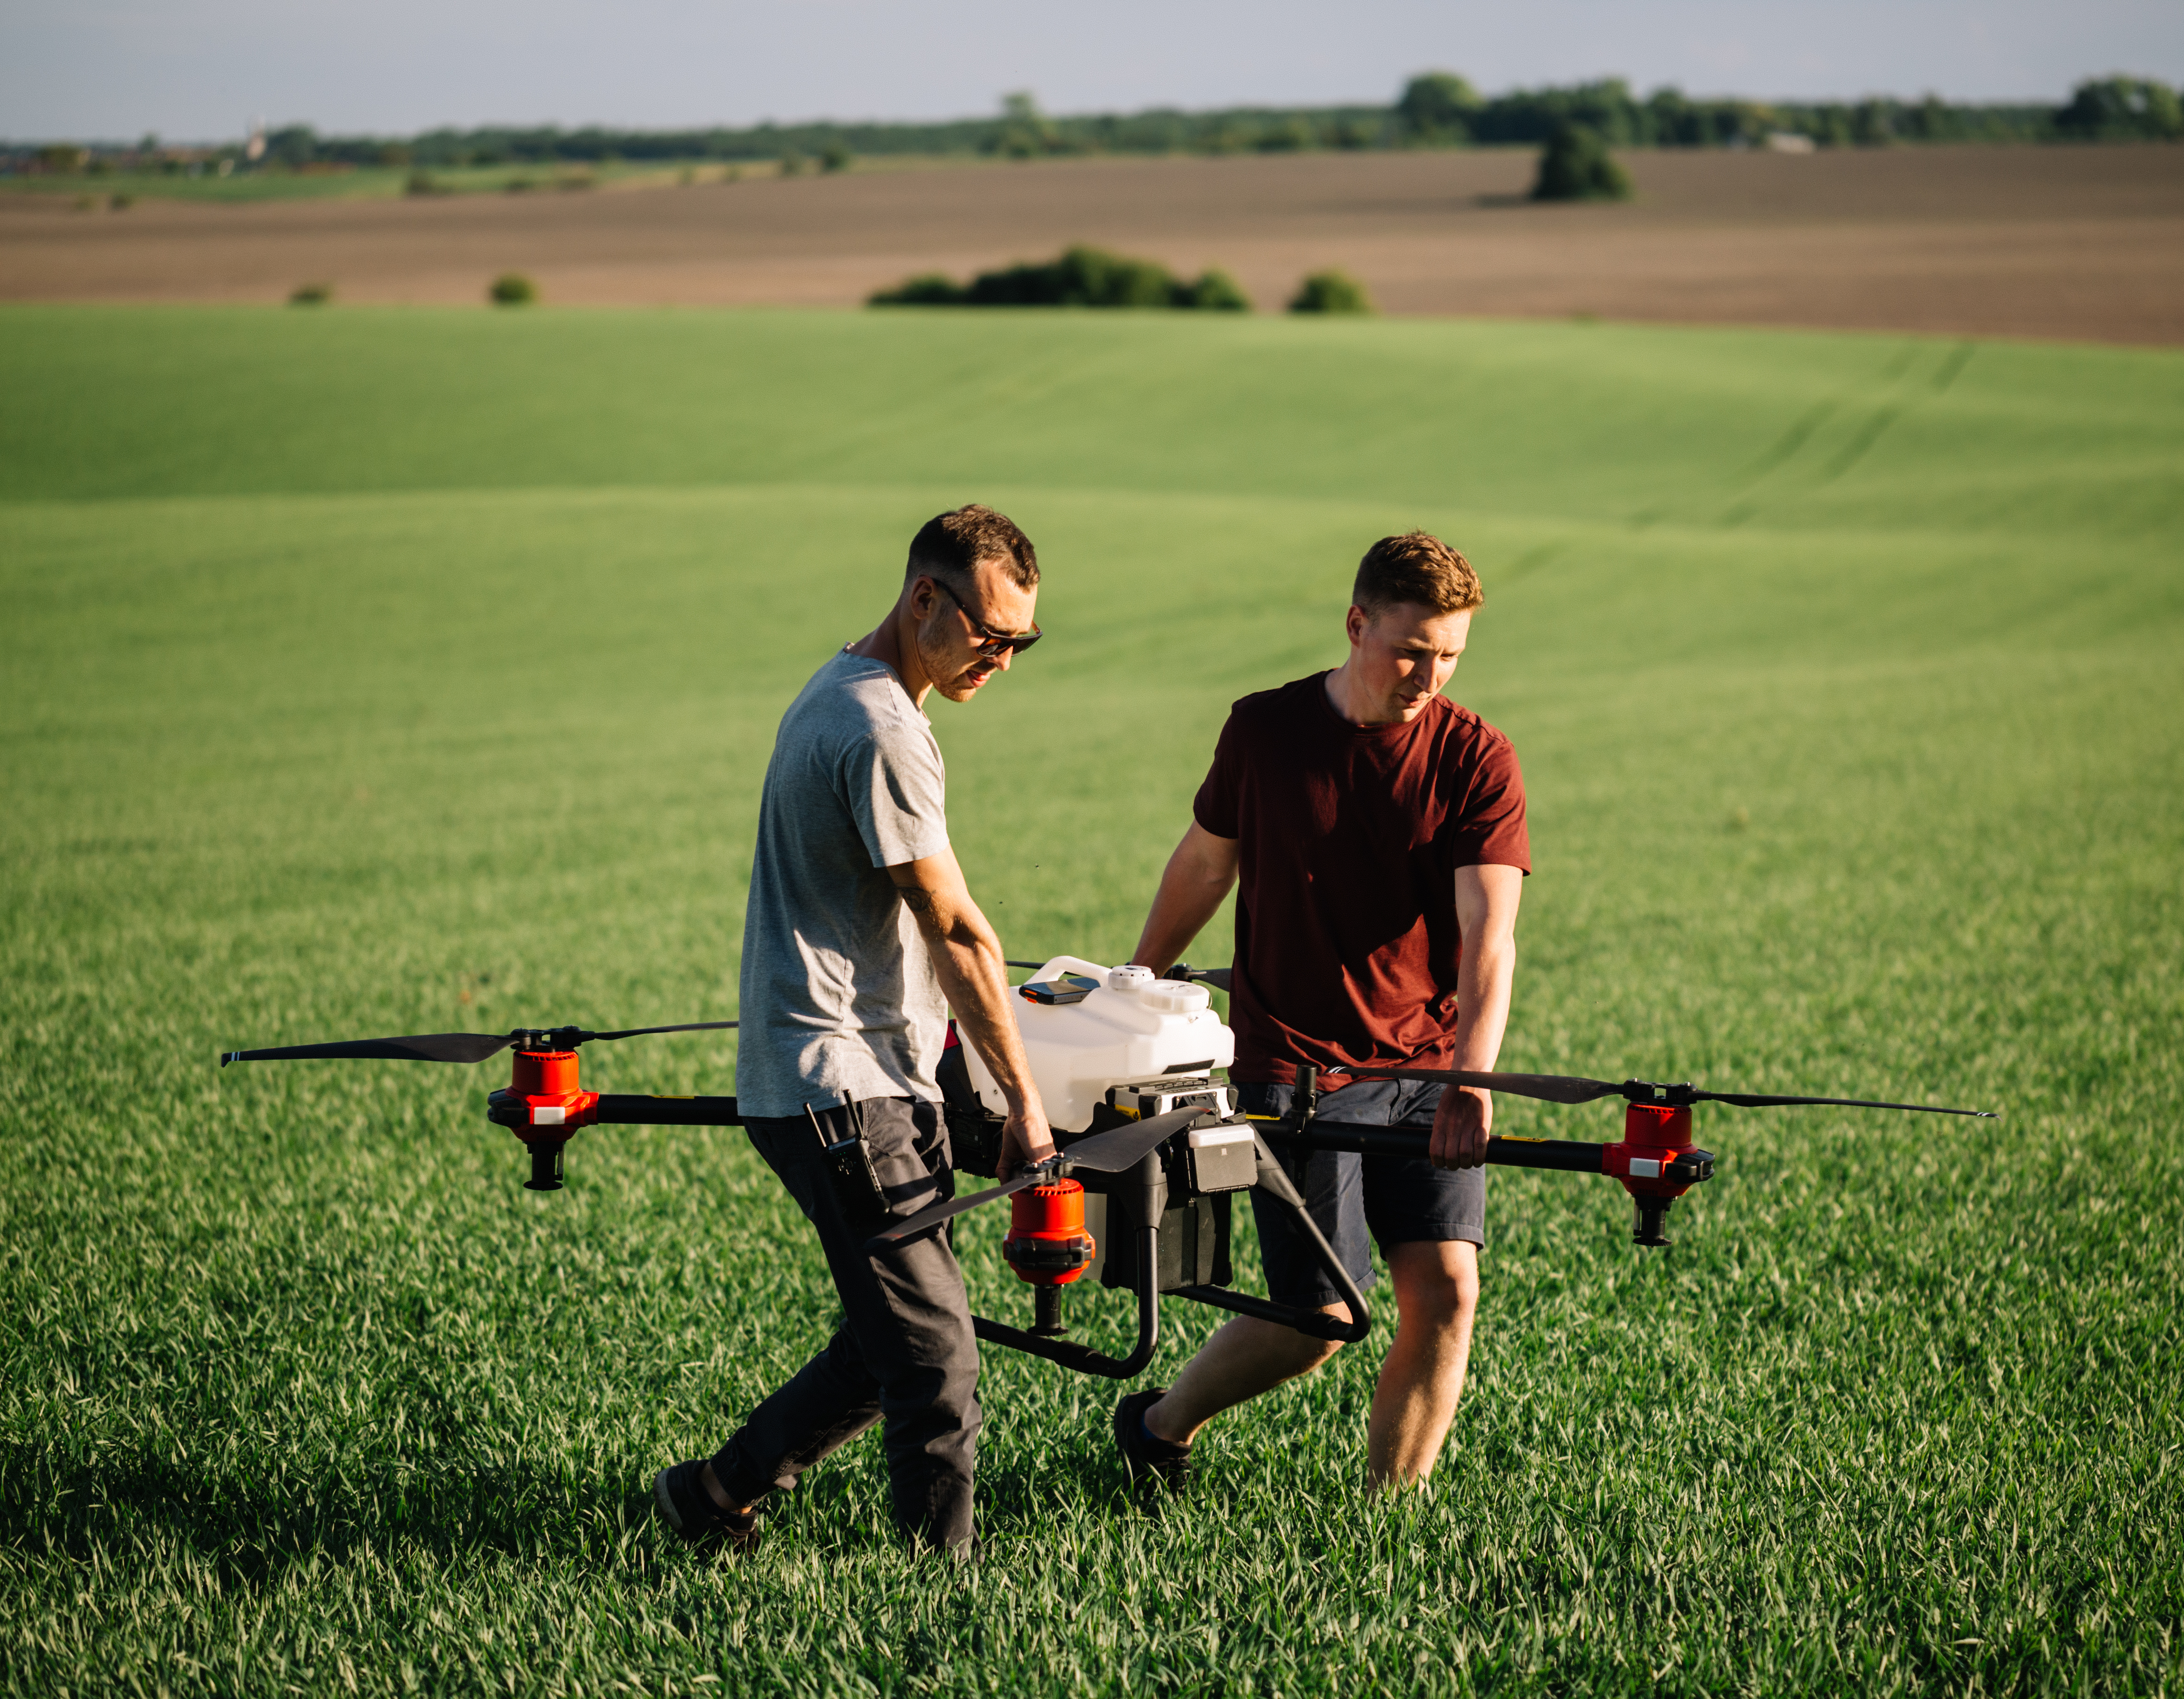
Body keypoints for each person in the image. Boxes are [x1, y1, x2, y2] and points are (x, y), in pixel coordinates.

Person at [654, 505, 1055, 1559]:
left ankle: (712, 1496)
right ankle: (941, 1595)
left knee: (890, 1341)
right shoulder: (877, 727)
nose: (1004, 661)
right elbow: (956, 927)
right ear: (926, 598)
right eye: (991, 635)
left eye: (1024, 642)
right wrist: (1025, 1104)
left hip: (867, 1077)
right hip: (845, 1090)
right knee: (934, 1364)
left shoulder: (850, 693)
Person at [1112, 531, 1528, 1495]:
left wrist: (1471, 1079)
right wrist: (1138, 981)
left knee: (1448, 1292)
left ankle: (1392, 1514)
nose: (1430, 673)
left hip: (1427, 1068)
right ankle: (1160, 1426)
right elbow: (1206, 862)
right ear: (1357, 624)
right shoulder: (1265, 732)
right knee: (1321, 1319)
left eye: (1451, 654)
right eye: (1412, 648)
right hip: (1291, 1067)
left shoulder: (1476, 758)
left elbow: (1489, 934)